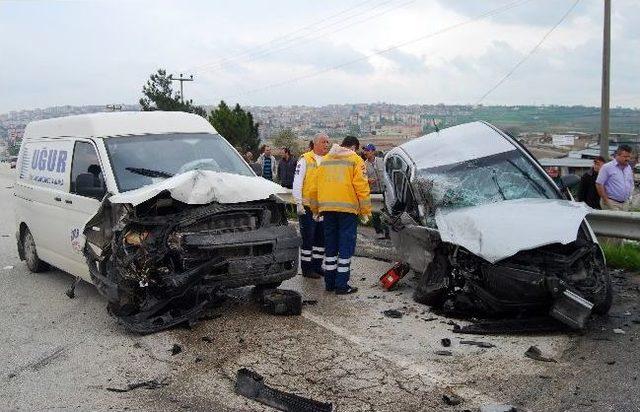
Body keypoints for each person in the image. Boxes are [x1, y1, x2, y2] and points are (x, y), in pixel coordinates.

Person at [312, 135, 371, 295]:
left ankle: (329, 283)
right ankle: (342, 285)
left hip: (327, 209)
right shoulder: (355, 159)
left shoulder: (325, 160)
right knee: (345, 246)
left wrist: (316, 209)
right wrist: (365, 211)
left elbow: (314, 187)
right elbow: (362, 186)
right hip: (347, 210)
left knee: (330, 245)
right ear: (353, 147)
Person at [292, 133, 330, 278]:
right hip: (307, 207)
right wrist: (298, 203)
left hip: (323, 207)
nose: (326, 145)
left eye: (328, 142)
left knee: (321, 238)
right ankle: (307, 268)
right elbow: (298, 182)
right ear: (315, 144)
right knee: (308, 238)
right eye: (323, 142)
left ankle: (317, 265)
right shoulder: (305, 159)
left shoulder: (328, 160)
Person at [596, 145, 634, 211]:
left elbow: (630, 182)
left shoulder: (628, 168)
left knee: (624, 221)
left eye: (629, 156)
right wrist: (606, 200)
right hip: (612, 203)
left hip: (625, 203)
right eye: (625, 156)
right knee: (614, 221)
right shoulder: (607, 167)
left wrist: (629, 198)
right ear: (617, 155)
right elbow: (599, 184)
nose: (627, 159)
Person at [363, 143, 389, 239]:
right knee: (375, 214)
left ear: (373, 151)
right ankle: (379, 232)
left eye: (367, 150)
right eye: (365, 150)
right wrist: (368, 181)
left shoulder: (382, 161)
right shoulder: (363, 165)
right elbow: (361, 179)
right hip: (373, 192)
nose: (365, 152)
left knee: (386, 212)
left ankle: (388, 232)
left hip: (385, 191)